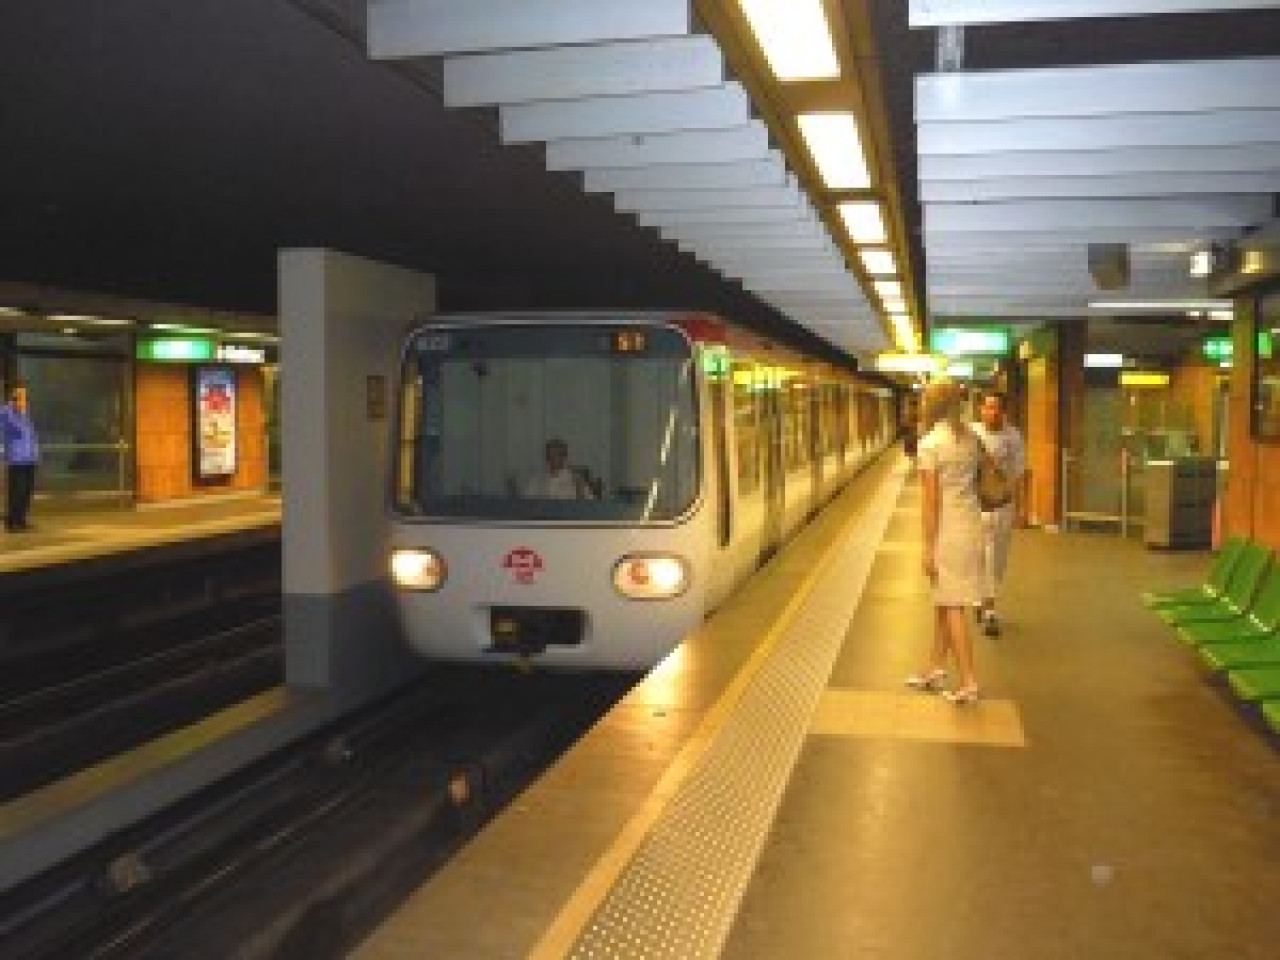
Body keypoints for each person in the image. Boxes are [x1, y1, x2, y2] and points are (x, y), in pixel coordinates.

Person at [905, 379, 984, 704]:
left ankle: (968, 680)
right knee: (945, 599)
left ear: (932, 405)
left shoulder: (930, 444)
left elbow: (931, 502)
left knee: (952, 605)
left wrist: (927, 546)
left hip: (948, 532)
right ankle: (934, 668)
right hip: (971, 525)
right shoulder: (970, 438)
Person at [972, 391, 1026, 637]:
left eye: (996, 408)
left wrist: (1021, 507)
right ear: (980, 409)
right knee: (985, 553)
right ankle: (989, 607)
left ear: (1003, 411)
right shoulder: (971, 434)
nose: (991, 412)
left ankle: (983, 597)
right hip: (976, 506)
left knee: (999, 557)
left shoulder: (1013, 436)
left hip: (1003, 505)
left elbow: (1019, 473)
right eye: (988, 407)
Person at [1, 382, 40, 532]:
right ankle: (12, 522)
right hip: (17, 459)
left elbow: (30, 435)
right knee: (17, 491)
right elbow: (7, 432)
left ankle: (22, 520)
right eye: (21, 396)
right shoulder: (7, 412)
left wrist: (35, 453)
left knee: (26, 491)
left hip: (30, 458)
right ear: (14, 397)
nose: (25, 399)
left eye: (25, 396)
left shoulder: (25, 414)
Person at [521, 438, 596, 500]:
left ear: (564, 457)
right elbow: (525, 506)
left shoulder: (577, 482)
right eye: (550, 455)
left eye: (557, 454)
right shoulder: (536, 482)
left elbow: (589, 506)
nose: (552, 459)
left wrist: (581, 493)